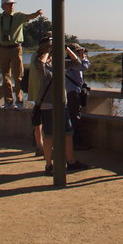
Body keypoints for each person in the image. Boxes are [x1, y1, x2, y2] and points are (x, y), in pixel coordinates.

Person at [31, 37, 89, 175]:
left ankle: (71, 161)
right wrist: (47, 50)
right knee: (49, 135)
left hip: (62, 103)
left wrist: (66, 48)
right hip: (47, 104)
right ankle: (49, 164)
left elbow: (77, 62)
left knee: (68, 133)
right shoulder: (39, 63)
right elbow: (41, 63)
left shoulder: (58, 63)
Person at [0, 0, 43, 109]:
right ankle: (8, 101)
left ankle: (19, 100)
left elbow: (29, 16)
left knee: (18, 76)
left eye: (12, 4)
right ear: (3, 6)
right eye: (9, 4)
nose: (12, 6)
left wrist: (36, 14)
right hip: (2, 48)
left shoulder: (18, 16)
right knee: (5, 76)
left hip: (15, 48)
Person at [65, 43, 91, 152]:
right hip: (72, 93)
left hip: (74, 92)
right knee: (74, 118)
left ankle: (74, 142)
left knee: (74, 117)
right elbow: (84, 66)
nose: (81, 53)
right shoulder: (70, 63)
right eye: (78, 51)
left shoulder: (72, 62)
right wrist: (83, 57)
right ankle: (75, 143)